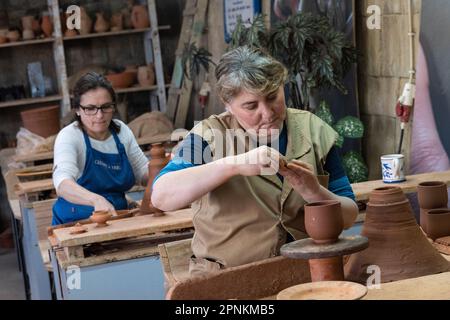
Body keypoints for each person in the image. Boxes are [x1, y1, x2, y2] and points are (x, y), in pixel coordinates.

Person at [151, 46, 358, 276]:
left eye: (273, 97)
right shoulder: (207, 135)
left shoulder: (313, 129)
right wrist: (234, 165)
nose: (268, 113)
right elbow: (161, 196)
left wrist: (314, 192)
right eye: (251, 106)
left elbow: (349, 216)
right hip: (226, 278)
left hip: (305, 271)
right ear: (227, 104)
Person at [52, 72, 148, 225]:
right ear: (77, 109)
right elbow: (62, 184)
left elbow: (143, 172)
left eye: (105, 107)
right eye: (90, 109)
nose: (99, 116)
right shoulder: (69, 136)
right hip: (74, 223)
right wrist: (96, 200)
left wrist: (166, 168)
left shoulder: (121, 131)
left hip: (117, 218)